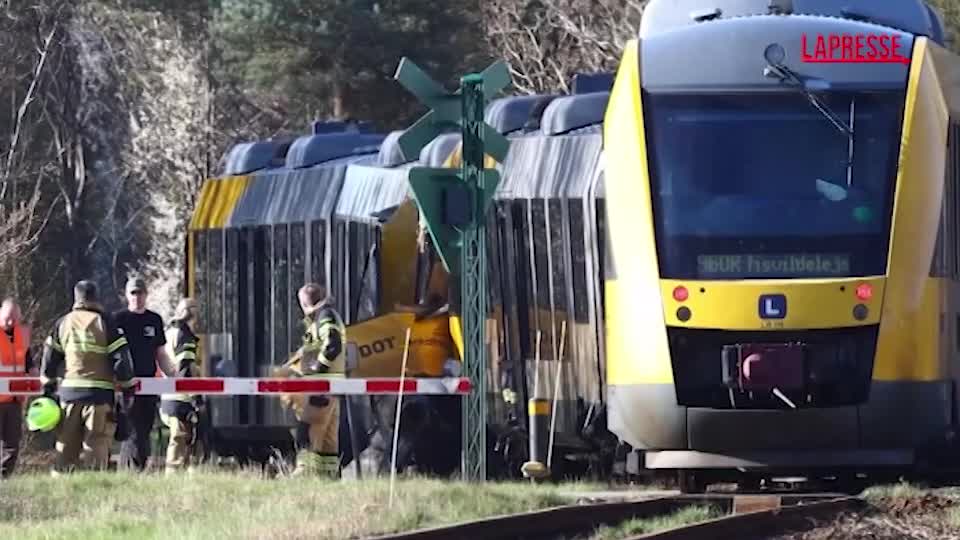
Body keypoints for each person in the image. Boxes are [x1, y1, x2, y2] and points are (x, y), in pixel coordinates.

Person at [40, 280, 136, 475]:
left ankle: (61, 492)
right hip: (99, 399)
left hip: (69, 398)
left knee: (65, 448)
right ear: (96, 298)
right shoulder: (106, 322)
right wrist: (127, 388)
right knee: (96, 447)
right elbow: (122, 361)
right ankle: (94, 490)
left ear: (76, 298)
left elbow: (49, 361)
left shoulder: (63, 323)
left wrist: (49, 389)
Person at [274, 283, 346, 477]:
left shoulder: (325, 317)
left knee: (307, 432)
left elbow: (332, 345)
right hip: (332, 389)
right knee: (327, 441)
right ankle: (327, 477)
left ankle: (303, 474)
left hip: (321, 387)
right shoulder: (328, 317)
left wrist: (317, 370)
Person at [112, 276, 175, 471]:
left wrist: (173, 375)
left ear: (146, 295)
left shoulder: (154, 320)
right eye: (133, 293)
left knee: (145, 430)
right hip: (126, 386)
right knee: (132, 431)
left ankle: (136, 469)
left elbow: (161, 353)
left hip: (150, 385)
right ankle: (131, 471)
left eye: (140, 292)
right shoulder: (118, 319)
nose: (137, 297)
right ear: (126, 295)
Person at [158, 297, 203, 475]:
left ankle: (177, 473)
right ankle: (173, 476)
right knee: (180, 439)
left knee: (180, 438)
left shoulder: (169, 333)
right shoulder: (185, 336)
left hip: (167, 396)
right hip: (181, 397)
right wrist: (196, 397)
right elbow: (186, 368)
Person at [0, 298, 37, 478]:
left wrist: (35, 380)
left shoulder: (22, 336)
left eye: (14, 319)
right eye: (7, 318)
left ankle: (5, 479)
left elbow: (30, 364)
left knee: (12, 444)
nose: (10, 322)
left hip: (15, 401)